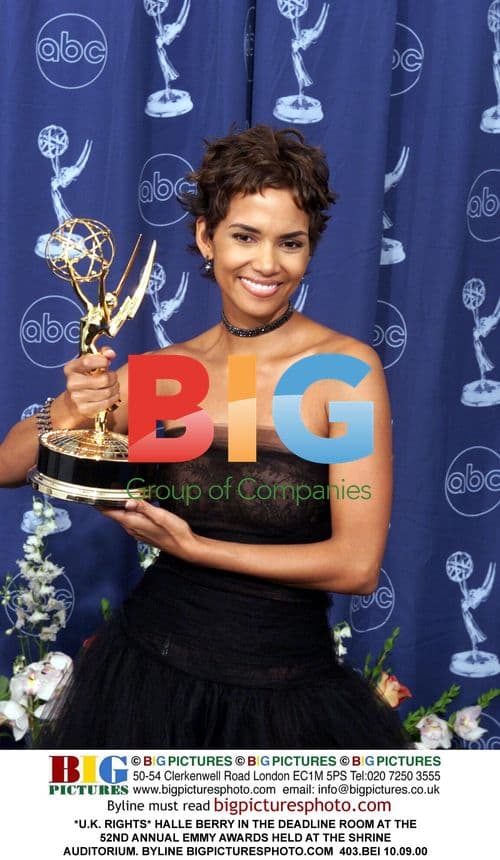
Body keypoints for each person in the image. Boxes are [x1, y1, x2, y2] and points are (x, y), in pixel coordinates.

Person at [0, 125, 409, 748]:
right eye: (245, 236)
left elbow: (355, 566)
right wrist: (69, 405)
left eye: (290, 243)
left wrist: (195, 548)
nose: (267, 264)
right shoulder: (169, 376)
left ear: (310, 249)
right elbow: (9, 465)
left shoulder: (342, 372)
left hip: (286, 696)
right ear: (206, 238)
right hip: (148, 681)